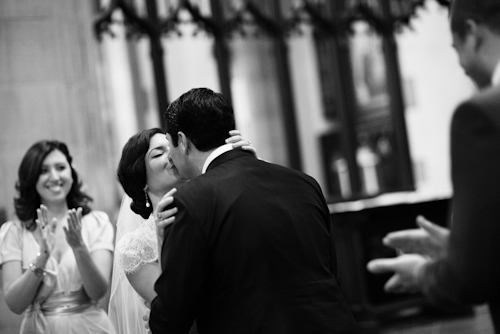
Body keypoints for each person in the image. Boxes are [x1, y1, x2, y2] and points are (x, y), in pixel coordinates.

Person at [148, 87, 359, 334]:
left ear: (182, 142)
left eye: (169, 145)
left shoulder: (190, 200)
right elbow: (329, 270)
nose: (171, 157)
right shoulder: (304, 183)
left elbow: (173, 315)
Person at [367, 0, 500, 332]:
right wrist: (464, 247)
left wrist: (423, 273)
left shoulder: (482, 115)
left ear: (471, 32)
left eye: (456, 48)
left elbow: (468, 282)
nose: (461, 65)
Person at [108, 128, 255, 334]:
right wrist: (162, 242)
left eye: (172, 147)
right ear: (140, 176)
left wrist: (244, 164)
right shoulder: (135, 248)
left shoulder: (215, 209)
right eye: (158, 153)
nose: (171, 155)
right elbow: (174, 309)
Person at [0, 140, 116, 334]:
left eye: (61, 167)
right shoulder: (14, 231)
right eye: (44, 170)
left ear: (71, 172)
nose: (54, 176)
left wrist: (79, 247)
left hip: (92, 326)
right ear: (31, 178)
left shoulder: (95, 222)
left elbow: (98, 292)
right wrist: (42, 257)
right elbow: (15, 304)